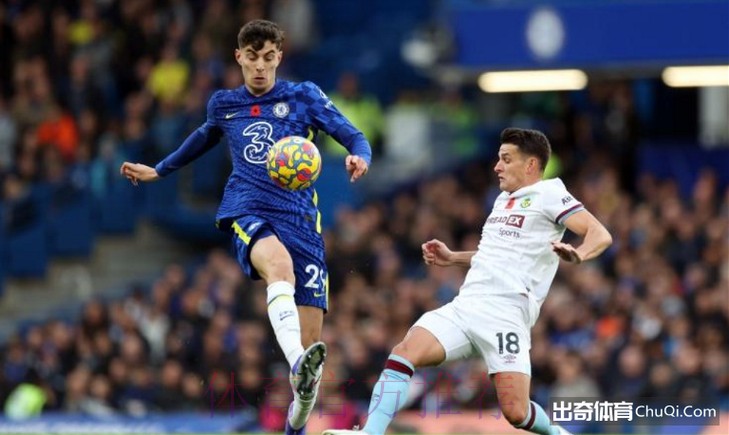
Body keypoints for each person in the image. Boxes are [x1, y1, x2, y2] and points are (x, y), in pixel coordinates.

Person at [119, 19, 371, 435]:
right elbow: (203, 137)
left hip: (301, 222)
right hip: (248, 208)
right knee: (279, 269)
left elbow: (353, 135)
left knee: (311, 347)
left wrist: (360, 157)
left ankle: (298, 411)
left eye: (268, 58)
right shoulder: (224, 104)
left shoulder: (303, 96)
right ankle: (297, 363)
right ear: (239, 57)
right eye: (252, 57)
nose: (259, 67)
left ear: (279, 58)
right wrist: (160, 170)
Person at [324, 128, 612, 435]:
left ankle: (557, 433)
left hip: (506, 313)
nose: (497, 166)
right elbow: (494, 256)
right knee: (404, 352)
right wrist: (453, 258)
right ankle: (370, 432)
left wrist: (579, 254)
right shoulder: (502, 201)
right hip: (466, 305)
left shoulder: (550, 193)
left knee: (516, 412)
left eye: (506, 159)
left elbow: (600, 234)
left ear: (530, 165)